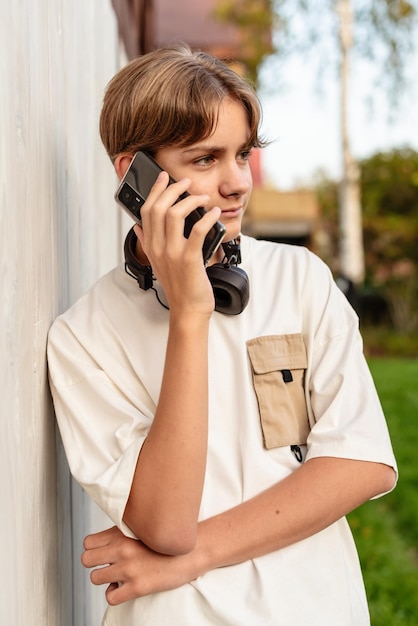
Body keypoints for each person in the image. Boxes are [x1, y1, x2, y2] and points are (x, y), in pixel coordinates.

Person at [47, 43, 397, 626]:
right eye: (206, 159)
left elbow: (361, 463)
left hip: (314, 607)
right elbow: (166, 523)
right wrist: (189, 316)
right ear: (135, 172)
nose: (237, 183)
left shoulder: (300, 279)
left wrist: (194, 557)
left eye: (243, 154)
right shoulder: (83, 337)